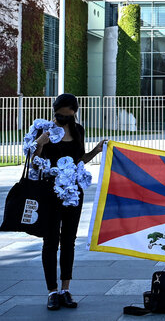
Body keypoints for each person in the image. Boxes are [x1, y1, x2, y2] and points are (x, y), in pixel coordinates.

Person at [30, 94, 106, 310]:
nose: (62, 121)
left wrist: (96, 150)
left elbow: (79, 160)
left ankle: (66, 289)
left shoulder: (78, 130)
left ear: (74, 114)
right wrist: (39, 144)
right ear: (54, 112)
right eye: (59, 117)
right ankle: (52, 291)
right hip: (49, 192)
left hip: (73, 193)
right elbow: (34, 165)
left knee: (69, 241)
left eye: (67, 117)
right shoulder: (43, 130)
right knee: (50, 241)